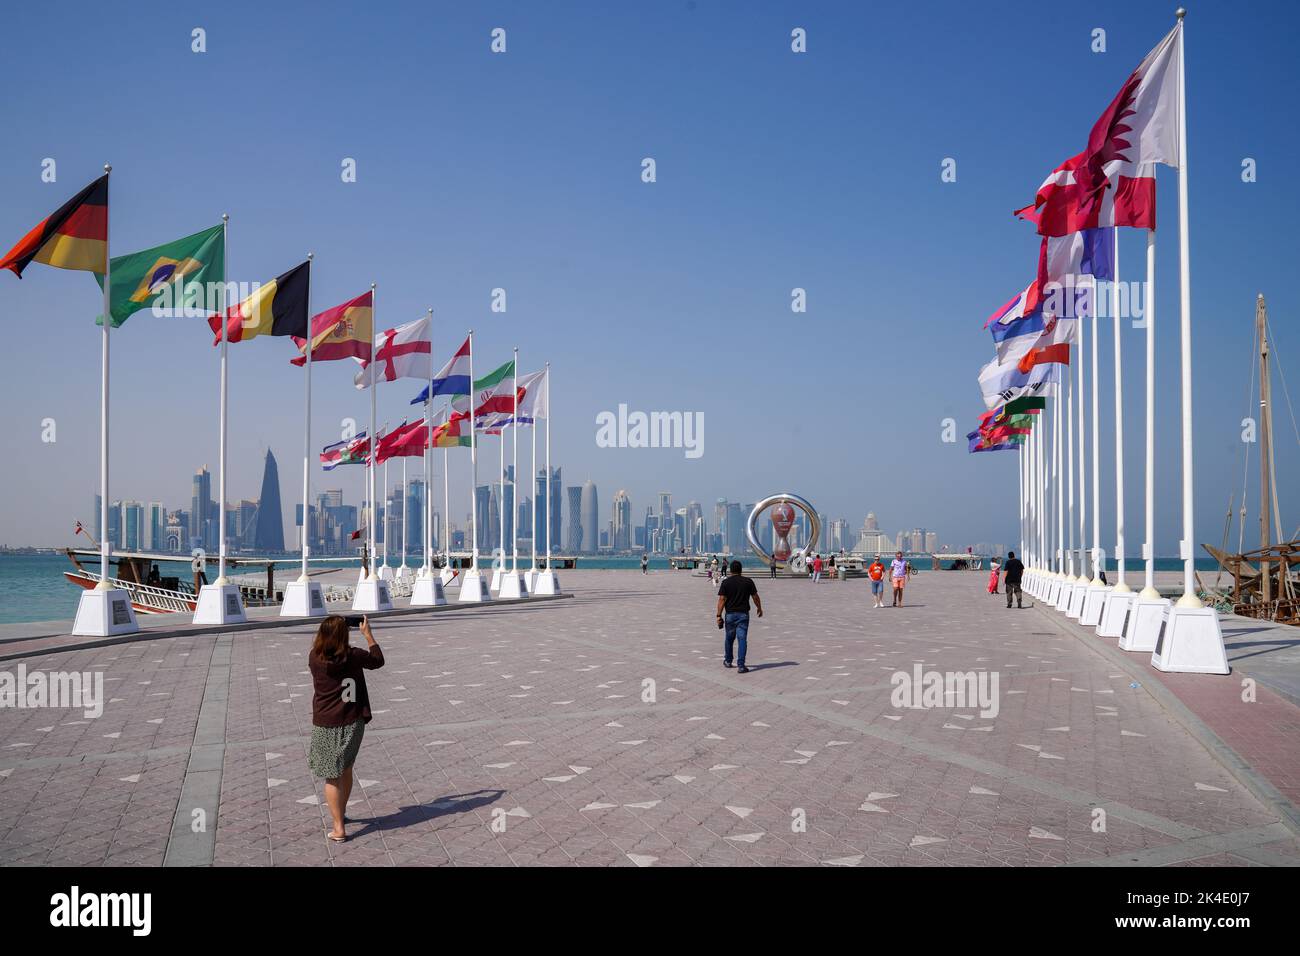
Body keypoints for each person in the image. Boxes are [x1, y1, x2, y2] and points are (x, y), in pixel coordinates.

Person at [308, 615, 384, 843]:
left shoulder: (314, 658)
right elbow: (377, 660)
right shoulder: (353, 656)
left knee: (331, 776)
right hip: (353, 721)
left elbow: (328, 654)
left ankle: (338, 827)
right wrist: (368, 634)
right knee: (346, 768)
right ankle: (340, 813)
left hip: (326, 723)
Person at [715, 560, 763, 674]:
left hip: (730, 615)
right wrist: (759, 608)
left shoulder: (726, 583)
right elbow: (755, 597)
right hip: (743, 615)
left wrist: (718, 615)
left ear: (730, 570)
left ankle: (728, 660)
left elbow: (722, 599)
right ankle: (741, 665)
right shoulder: (748, 581)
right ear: (741, 570)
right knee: (742, 640)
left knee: (729, 638)